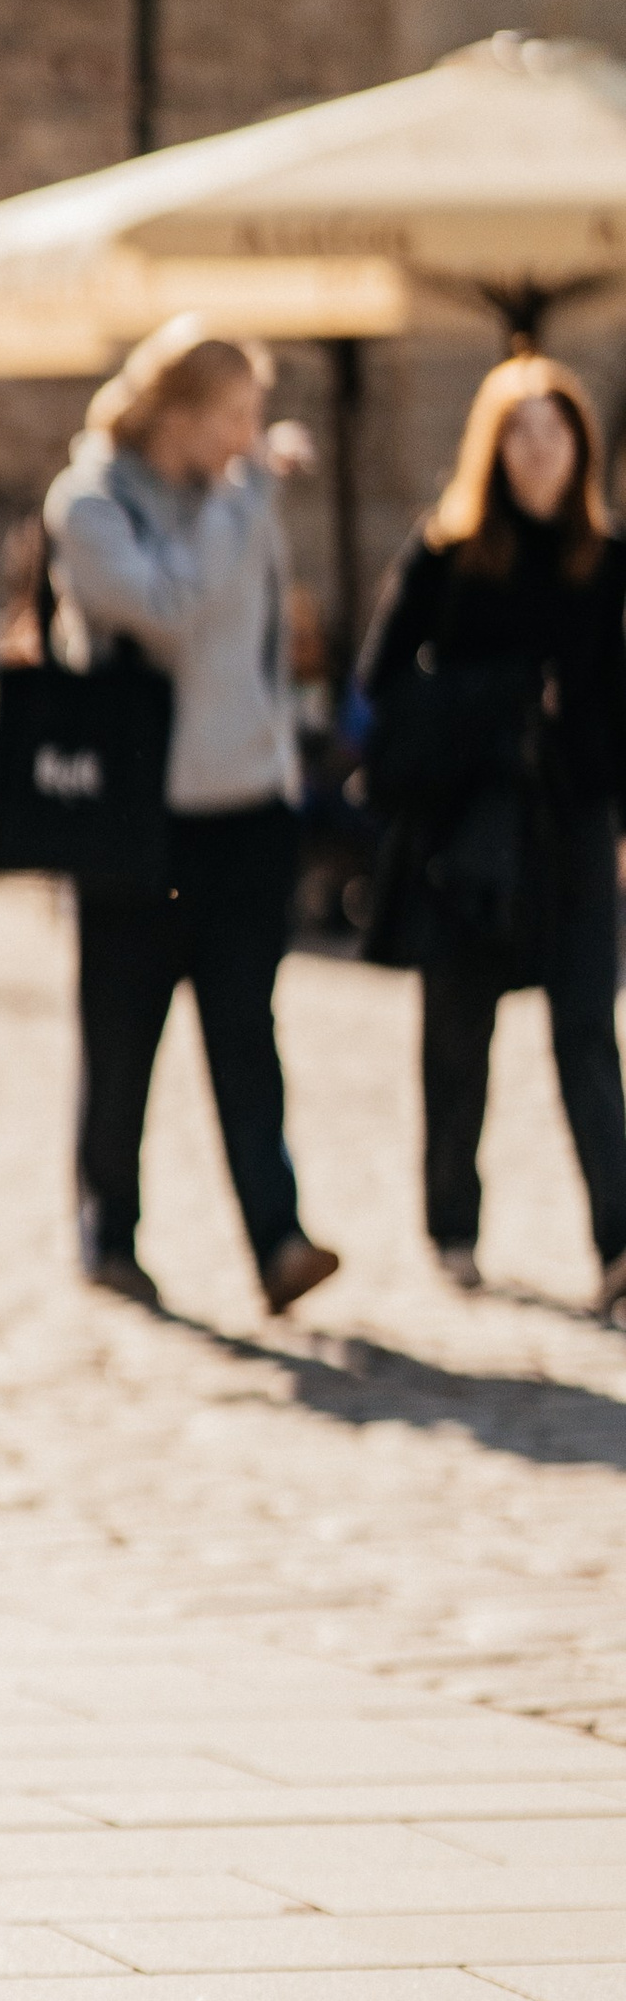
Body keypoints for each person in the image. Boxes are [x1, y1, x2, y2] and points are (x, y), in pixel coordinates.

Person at [45, 316, 341, 1317]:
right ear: (181, 414)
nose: (250, 436)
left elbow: (260, 627)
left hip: (244, 810)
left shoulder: (239, 495)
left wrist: (279, 754)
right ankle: (109, 1232)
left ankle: (277, 1240)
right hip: (137, 818)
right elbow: (168, 607)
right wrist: (236, 497)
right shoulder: (90, 502)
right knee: (122, 1034)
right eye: (235, 417)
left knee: (245, 1034)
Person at [359, 354, 626, 1316]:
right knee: (457, 1034)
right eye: (519, 432)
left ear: (580, 447)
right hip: (468, 828)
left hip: (574, 821)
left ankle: (619, 1245)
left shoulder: (609, 561)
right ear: (492, 444)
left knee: (589, 1031)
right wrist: (496, 701)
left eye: (553, 433)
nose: (537, 451)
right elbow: (381, 686)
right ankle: (453, 1225)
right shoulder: (445, 554)